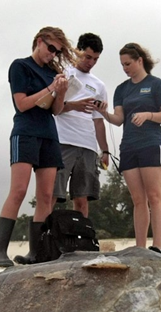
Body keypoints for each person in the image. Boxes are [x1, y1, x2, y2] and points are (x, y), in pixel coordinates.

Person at [0, 27, 76, 267]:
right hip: (26, 132)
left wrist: (60, 92)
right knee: (18, 190)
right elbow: (22, 104)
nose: (53, 54)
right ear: (39, 42)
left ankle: (36, 252)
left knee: (46, 196)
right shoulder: (20, 66)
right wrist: (50, 88)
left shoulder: (53, 71)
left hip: (49, 134)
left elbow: (56, 110)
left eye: (57, 51)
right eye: (51, 48)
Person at [96, 43, 161, 254]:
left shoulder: (156, 85)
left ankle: (157, 246)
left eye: (128, 63)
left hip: (150, 143)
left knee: (155, 195)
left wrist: (148, 115)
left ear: (140, 60)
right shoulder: (122, 89)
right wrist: (104, 113)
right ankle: (140, 247)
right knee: (138, 199)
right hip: (128, 146)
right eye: (122, 65)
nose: (125, 68)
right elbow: (119, 119)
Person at [53, 33, 110, 218]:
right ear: (77, 51)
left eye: (96, 59)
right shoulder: (63, 72)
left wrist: (105, 151)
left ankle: (81, 239)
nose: (91, 62)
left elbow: (98, 120)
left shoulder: (99, 85)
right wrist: (73, 106)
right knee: (52, 194)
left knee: (81, 199)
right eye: (88, 57)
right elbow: (52, 107)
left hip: (87, 146)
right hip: (63, 140)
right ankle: (43, 240)